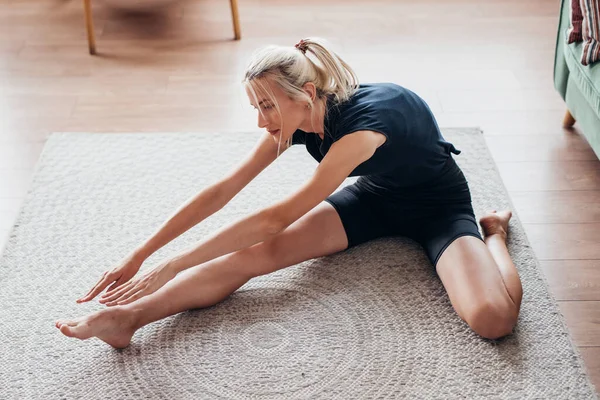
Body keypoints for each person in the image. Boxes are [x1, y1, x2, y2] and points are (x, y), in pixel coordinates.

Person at [55, 37, 523, 348]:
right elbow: (223, 190)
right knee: (253, 256)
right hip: (376, 196)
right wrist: (142, 254)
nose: (261, 120)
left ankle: (493, 234)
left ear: (304, 93)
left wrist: (173, 264)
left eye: (267, 106)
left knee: (493, 319)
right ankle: (129, 318)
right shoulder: (298, 116)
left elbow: (273, 218)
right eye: (255, 106)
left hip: (438, 207)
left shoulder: (362, 131)